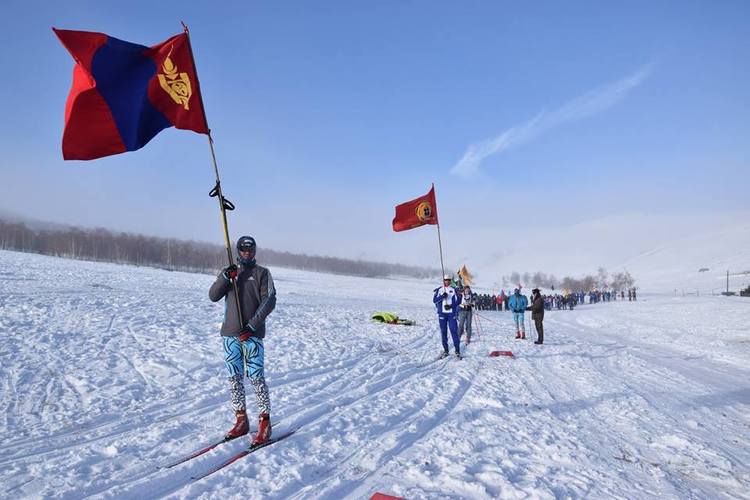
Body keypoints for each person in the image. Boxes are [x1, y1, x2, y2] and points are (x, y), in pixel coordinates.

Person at [209, 235, 277, 446]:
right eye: (243, 250)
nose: (247, 253)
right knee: (235, 379)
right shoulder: (230, 272)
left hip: (251, 336)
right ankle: (241, 420)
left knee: (256, 378)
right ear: (238, 251)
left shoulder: (262, 273)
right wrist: (225, 277)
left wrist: (252, 326)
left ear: (255, 251)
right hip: (230, 335)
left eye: (251, 250)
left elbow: (269, 301)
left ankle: (265, 423)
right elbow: (213, 295)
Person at [433, 274, 461, 358]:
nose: (447, 281)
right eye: (446, 280)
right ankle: (446, 350)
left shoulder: (454, 289)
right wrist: (442, 296)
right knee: (443, 332)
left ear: (450, 281)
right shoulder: (439, 289)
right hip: (442, 314)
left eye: (449, 280)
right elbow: (434, 300)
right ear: (443, 281)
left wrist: (451, 306)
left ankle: (457, 350)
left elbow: (459, 300)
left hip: (451, 314)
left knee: (454, 331)